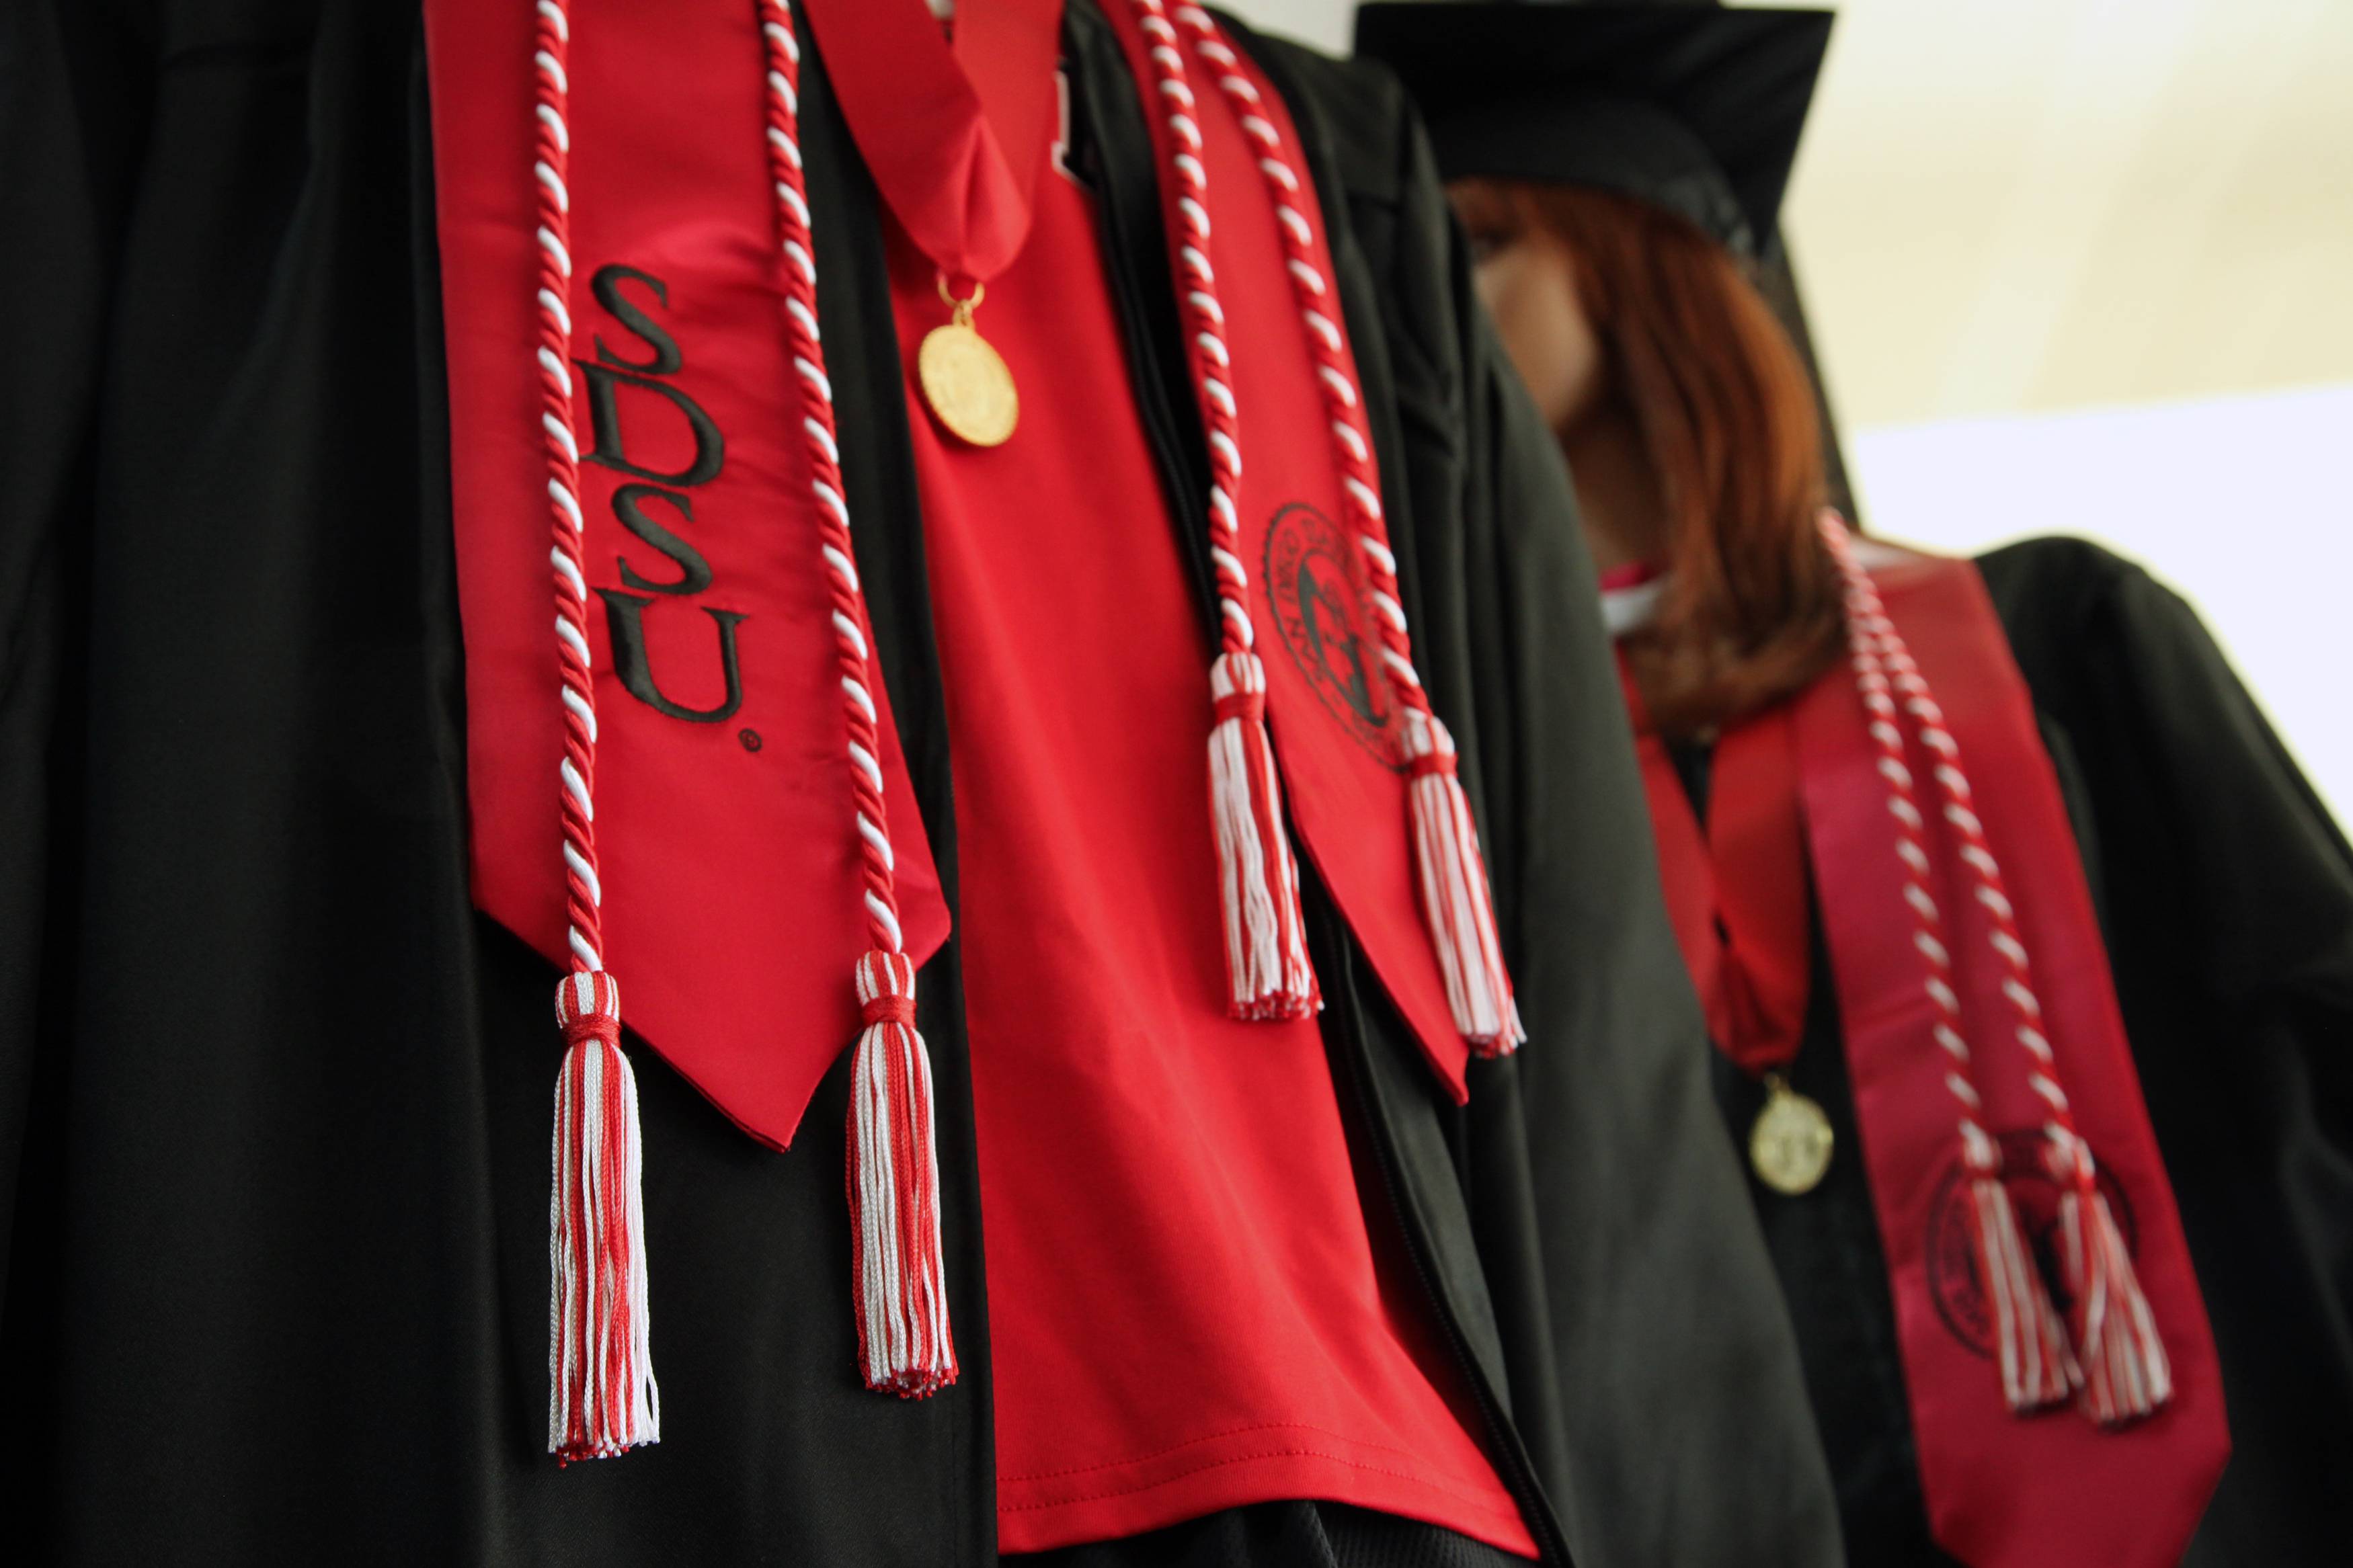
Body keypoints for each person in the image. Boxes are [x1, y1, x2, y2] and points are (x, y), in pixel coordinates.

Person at [0, 0, 1843, 1562]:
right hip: (626, 1443)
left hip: (1342, 1487)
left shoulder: (1309, 183)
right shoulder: (270, 66)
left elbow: (1577, 1056)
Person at [1359, 4, 2353, 1565]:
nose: (1416, 312)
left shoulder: (2058, 641)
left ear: (1641, 263)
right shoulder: (1440, 776)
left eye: (1476, 247)